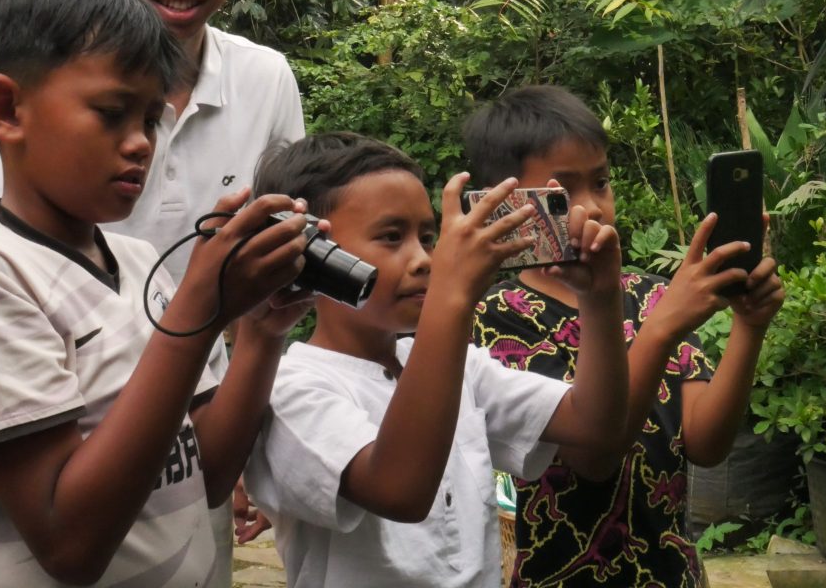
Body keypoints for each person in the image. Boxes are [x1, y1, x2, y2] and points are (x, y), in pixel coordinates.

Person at [0, 0, 314, 588]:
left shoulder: (142, 265)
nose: (141, 142)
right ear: (6, 108)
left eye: (150, 118)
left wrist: (262, 331)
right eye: (112, 112)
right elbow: (70, 544)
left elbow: (206, 473)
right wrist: (197, 310)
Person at [0, 0, 303, 566]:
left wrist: (240, 426)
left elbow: (270, 263)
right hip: (66, 419)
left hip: (205, 415)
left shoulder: (266, 79)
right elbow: (17, 268)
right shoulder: (45, 95)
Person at [242, 131, 631, 588]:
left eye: (428, 238)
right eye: (391, 237)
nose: (425, 259)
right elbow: (399, 491)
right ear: (310, 255)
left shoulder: (459, 366)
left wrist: (601, 300)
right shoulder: (292, 389)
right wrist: (452, 295)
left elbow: (595, 427)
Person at [463, 84, 785, 588]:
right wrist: (659, 330)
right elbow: (592, 459)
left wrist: (749, 326)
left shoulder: (654, 295)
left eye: (601, 182)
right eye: (564, 191)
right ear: (507, 203)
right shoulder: (497, 318)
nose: (592, 207)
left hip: (671, 575)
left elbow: (705, 444)